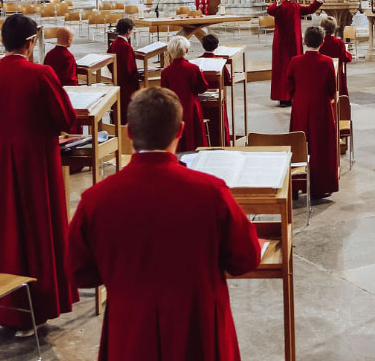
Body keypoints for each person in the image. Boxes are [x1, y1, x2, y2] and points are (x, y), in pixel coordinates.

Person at [67, 87, 261, 361]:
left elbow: (79, 271)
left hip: (131, 331)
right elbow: (246, 257)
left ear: (129, 133)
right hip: (199, 329)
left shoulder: (96, 199)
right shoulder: (211, 191)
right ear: (181, 130)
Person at [0, 14, 78, 330]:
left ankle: (8, 307)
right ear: (31, 43)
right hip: (37, 164)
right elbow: (65, 119)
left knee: (7, 231)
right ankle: (42, 302)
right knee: (38, 229)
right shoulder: (40, 74)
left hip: (2, 163)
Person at [287, 26, 340, 198]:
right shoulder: (326, 62)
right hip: (321, 107)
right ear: (322, 42)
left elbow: (289, 87)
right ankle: (319, 186)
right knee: (321, 146)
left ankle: (296, 184)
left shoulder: (295, 61)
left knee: (299, 144)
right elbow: (332, 88)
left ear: (304, 41)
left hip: (300, 107)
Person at [266, 0, 323, 106]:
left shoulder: (296, 6)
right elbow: (270, 11)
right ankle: (283, 97)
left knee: (295, 69)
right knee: (283, 70)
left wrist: (317, 0)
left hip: (295, 43)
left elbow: (309, 10)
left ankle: (292, 95)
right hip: (283, 44)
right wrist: (279, 2)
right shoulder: (281, 6)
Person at [160, 36, 209, 152]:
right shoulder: (193, 68)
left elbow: (164, 92)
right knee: (195, 136)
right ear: (186, 50)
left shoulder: (166, 72)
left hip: (174, 109)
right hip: (191, 107)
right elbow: (202, 87)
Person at [108, 17, 141, 122]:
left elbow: (108, 61)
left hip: (117, 81)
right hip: (127, 85)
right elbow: (129, 69)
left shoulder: (114, 43)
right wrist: (138, 77)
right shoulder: (126, 46)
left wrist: (115, 72)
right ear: (128, 30)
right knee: (127, 111)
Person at [318, 16, 353, 96]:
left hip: (322, 73)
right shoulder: (339, 42)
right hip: (336, 73)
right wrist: (349, 55)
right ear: (334, 27)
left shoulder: (320, 41)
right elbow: (345, 57)